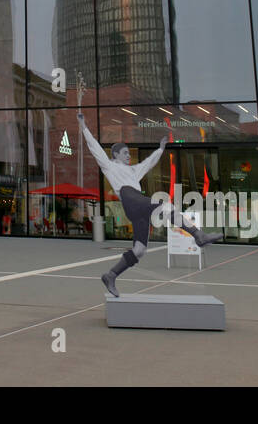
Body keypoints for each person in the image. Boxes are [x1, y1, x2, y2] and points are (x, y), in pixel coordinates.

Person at [76, 113, 221, 297]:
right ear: (115, 155)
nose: (129, 155)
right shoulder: (110, 166)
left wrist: (160, 150)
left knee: (140, 250)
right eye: (126, 153)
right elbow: (95, 147)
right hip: (130, 198)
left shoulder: (134, 170)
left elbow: (148, 163)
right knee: (166, 207)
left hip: (137, 207)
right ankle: (198, 236)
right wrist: (83, 126)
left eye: (129, 153)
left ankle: (111, 275)